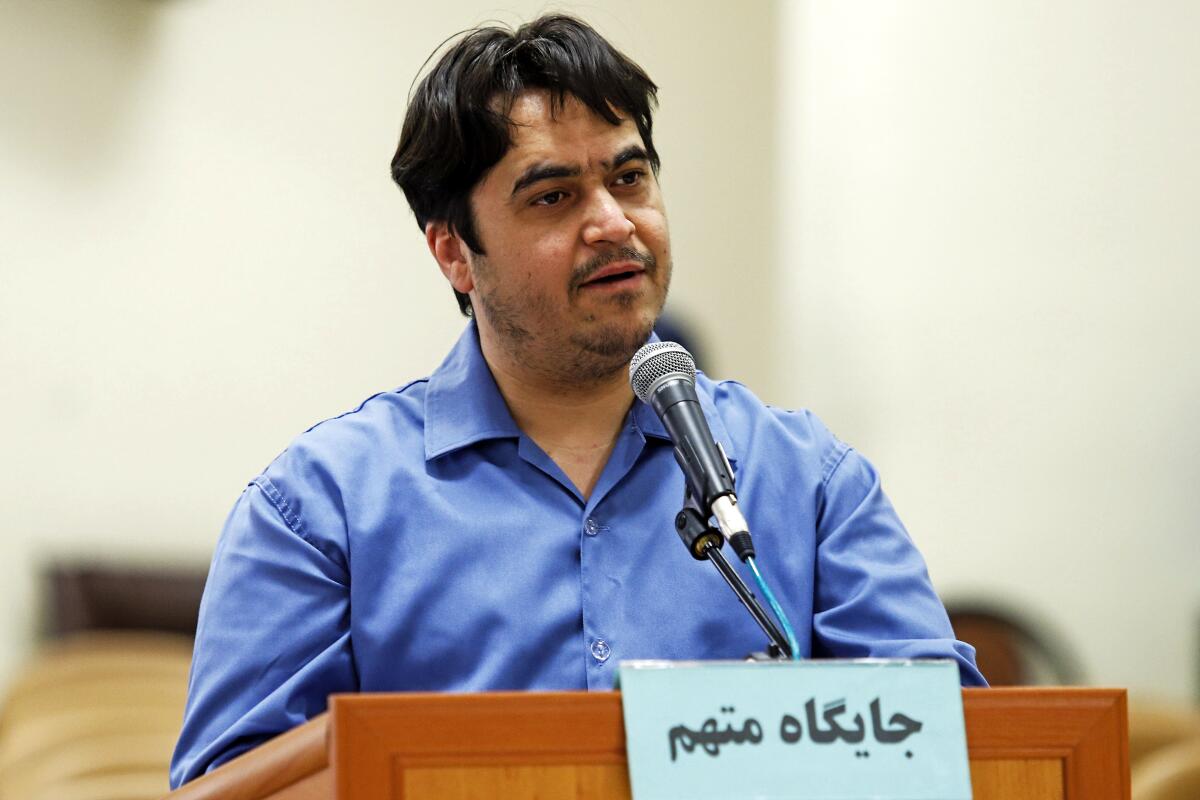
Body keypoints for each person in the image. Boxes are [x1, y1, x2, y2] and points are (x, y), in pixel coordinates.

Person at [169, 14, 985, 789]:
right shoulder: (320, 509)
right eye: (553, 196)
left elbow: (965, 752)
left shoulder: (809, 484)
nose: (611, 223)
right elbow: (240, 785)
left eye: (630, 179)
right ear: (455, 251)